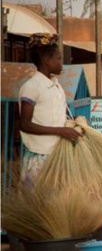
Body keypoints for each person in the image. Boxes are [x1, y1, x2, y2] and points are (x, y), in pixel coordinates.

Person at [18, 33, 82, 184]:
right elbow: (25, 124)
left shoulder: (56, 86)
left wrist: (74, 123)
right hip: (39, 156)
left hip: (56, 153)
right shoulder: (32, 87)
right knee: (35, 197)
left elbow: (55, 116)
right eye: (58, 58)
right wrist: (61, 131)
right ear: (47, 61)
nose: (62, 62)